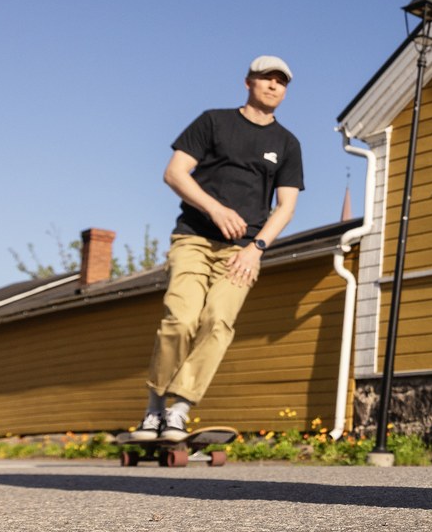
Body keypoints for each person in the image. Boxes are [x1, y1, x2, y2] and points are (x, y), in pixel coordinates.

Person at [130, 56, 304, 442]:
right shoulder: (213, 122)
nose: (274, 86)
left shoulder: (287, 144)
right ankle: (154, 407)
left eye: (281, 81)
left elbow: (287, 206)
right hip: (194, 238)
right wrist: (215, 208)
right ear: (248, 82)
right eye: (266, 78)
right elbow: (174, 172)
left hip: (242, 252)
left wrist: (256, 249)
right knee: (181, 318)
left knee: (218, 322)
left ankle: (178, 409)